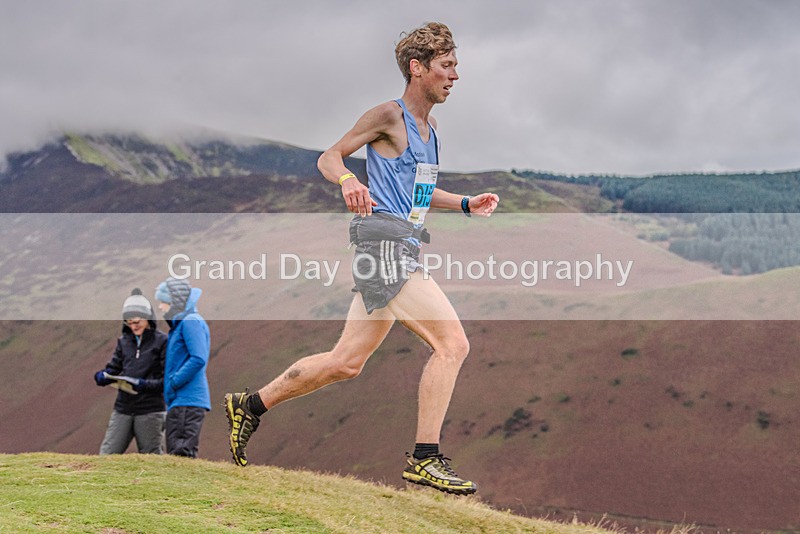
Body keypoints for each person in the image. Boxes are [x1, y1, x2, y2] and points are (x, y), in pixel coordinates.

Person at [224, 22, 498, 495]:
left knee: (346, 362)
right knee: (453, 344)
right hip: (383, 244)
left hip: (401, 242)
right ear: (418, 69)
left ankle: (251, 405)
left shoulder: (430, 131)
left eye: (456, 66)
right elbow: (330, 156)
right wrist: (348, 181)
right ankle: (424, 458)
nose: (455, 76)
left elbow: (420, 193)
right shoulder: (387, 116)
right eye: (446, 66)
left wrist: (467, 204)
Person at [95, 288, 168, 455]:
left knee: (152, 458)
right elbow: (113, 368)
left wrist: (142, 384)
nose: (133, 326)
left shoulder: (162, 342)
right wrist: (103, 376)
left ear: (147, 318)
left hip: (151, 410)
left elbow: (165, 381)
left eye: (137, 322)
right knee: (107, 454)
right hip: (123, 408)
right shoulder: (124, 342)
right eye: (129, 322)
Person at [155, 277, 211, 458]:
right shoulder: (183, 323)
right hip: (181, 401)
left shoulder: (190, 322)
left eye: (163, 302)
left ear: (174, 302)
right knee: (177, 454)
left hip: (187, 400)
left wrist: (174, 382)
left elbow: (198, 358)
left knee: (181, 454)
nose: (160, 307)